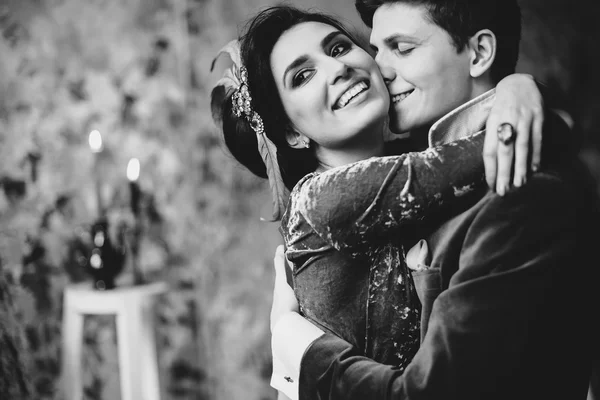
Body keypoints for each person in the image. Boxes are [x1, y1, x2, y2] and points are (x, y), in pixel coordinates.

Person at [210, 4, 549, 400]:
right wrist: (524, 104)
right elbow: (460, 161)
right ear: (292, 133)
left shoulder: (415, 158)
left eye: (338, 49)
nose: (337, 69)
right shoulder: (319, 200)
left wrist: (517, 88)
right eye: (303, 76)